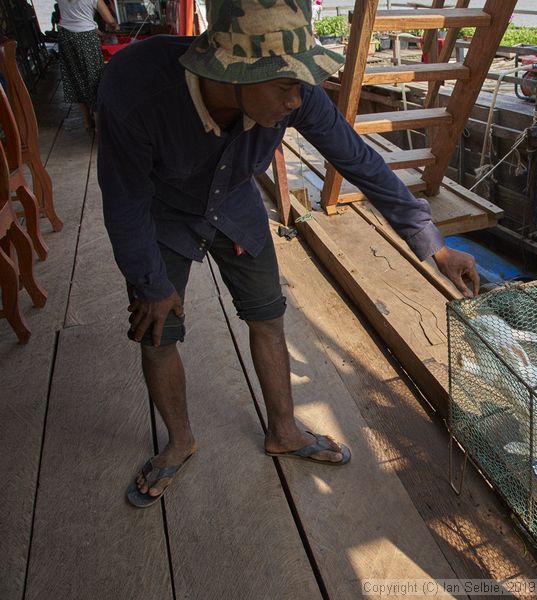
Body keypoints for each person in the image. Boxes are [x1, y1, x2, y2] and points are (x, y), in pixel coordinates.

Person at [96, 0, 480, 508]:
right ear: (232, 74)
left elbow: (358, 158)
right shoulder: (134, 89)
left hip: (233, 200)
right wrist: (150, 282)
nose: (297, 99)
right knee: (157, 331)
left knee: (267, 315)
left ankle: (284, 431)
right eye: (285, 85)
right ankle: (179, 442)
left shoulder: (293, 97)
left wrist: (432, 244)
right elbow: (123, 203)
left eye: (303, 83)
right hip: (160, 213)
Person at [58, 0, 117, 129]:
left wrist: (96, 29)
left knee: (76, 78)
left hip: (66, 37)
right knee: (94, 79)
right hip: (86, 38)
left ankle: (86, 121)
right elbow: (109, 20)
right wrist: (115, 27)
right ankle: (98, 124)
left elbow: (73, 16)